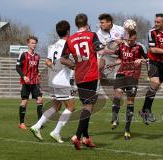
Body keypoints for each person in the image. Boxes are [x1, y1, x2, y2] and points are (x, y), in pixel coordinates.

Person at [61, 13, 102, 150]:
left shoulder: (70, 39)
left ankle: (86, 138)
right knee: (88, 106)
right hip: (90, 74)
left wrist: (72, 64)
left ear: (76, 24)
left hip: (79, 75)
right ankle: (77, 136)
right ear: (87, 23)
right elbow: (99, 49)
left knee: (86, 105)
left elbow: (63, 59)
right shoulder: (92, 35)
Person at [30, 20, 75, 143]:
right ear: (68, 31)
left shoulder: (54, 45)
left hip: (53, 79)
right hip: (62, 81)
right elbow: (66, 61)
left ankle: (37, 126)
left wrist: (56, 68)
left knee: (56, 106)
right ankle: (56, 132)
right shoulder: (68, 44)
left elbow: (48, 62)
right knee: (71, 107)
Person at [110, 30, 147, 140]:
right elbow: (119, 59)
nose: (130, 42)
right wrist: (113, 64)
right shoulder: (121, 46)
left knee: (130, 102)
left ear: (135, 38)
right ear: (126, 38)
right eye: (128, 40)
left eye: (132, 40)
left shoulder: (140, 47)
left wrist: (141, 59)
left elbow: (148, 59)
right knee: (118, 94)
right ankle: (115, 118)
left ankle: (127, 130)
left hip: (133, 76)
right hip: (121, 74)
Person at [16, 35, 43, 129]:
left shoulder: (37, 56)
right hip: (25, 83)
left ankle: (39, 124)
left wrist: (38, 73)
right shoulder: (23, 54)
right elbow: (17, 67)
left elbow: (36, 69)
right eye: (32, 43)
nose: (34, 45)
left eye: (35, 43)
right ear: (28, 43)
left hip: (35, 82)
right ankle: (22, 123)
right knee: (24, 101)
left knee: (40, 100)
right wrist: (23, 76)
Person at [96, 13, 125, 78]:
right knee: (98, 65)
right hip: (107, 55)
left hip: (120, 55)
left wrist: (122, 41)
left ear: (109, 22)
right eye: (100, 23)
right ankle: (101, 78)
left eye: (102, 23)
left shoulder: (121, 29)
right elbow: (101, 50)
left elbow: (128, 41)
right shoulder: (99, 33)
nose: (100, 25)